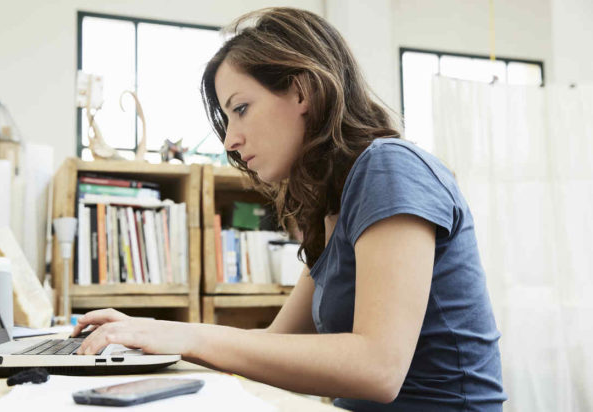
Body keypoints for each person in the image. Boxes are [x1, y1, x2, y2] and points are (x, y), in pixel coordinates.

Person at [72, 7, 507, 411]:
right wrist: (148, 338)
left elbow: (378, 367)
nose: (230, 142)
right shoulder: (334, 207)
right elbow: (274, 345)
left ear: (303, 90)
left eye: (241, 109)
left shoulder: (390, 166)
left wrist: (186, 334)